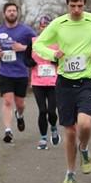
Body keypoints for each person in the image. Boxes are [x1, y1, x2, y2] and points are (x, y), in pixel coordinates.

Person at [33, 0, 91, 183]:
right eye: (72, 6)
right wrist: (53, 54)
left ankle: (84, 149)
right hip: (64, 82)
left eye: (80, 6)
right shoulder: (58, 24)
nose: (76, 10)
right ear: (67, 5)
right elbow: (38, 45)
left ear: (85, 4)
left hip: (86, 81)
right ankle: (70, 173)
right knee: (70, 131)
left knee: (85, 124)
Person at [0, 1, 36, 143]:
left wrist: (22, 47)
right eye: (9, 11)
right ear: (4, 14)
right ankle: (8, 131)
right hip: (5, 72)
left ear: (17, 13)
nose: (11, 13)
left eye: (14, 11)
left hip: (21, 72)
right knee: (8, 101)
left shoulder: (26, 30)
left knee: (20, 103)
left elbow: (37, 43)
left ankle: (19, 115)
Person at [30, 14, 60, 150]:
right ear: (39, 27)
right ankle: (43, 138)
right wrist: (30, 62)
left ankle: (53, 127)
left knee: (52, 111)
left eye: (47, 26)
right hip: (38, 82)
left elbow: (64, 58)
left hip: (54, 82)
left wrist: (56, 59)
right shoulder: (33, 42)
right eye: (43, 26)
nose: (45, 28)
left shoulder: (58, 43)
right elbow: (25, 59)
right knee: (42, 110)